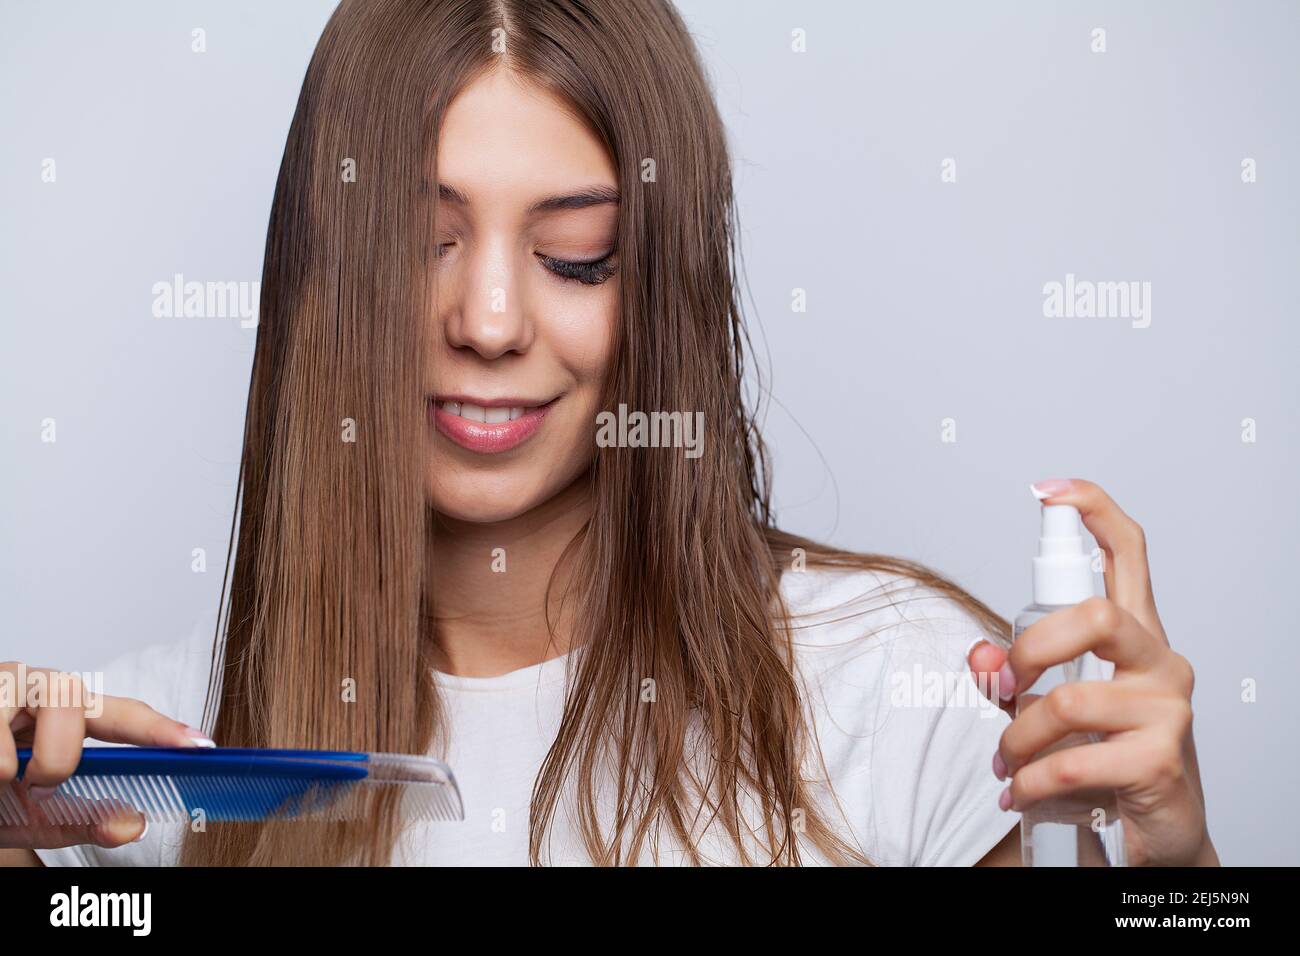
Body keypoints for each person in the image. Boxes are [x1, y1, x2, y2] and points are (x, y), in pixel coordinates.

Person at [0, 0, 1216, 867]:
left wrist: (1178, 882)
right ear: (321, 276)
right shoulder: (140, 766)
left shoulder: (897, 699)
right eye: (419, 243)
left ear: (662, 294)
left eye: (574, 256)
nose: (486, 318)